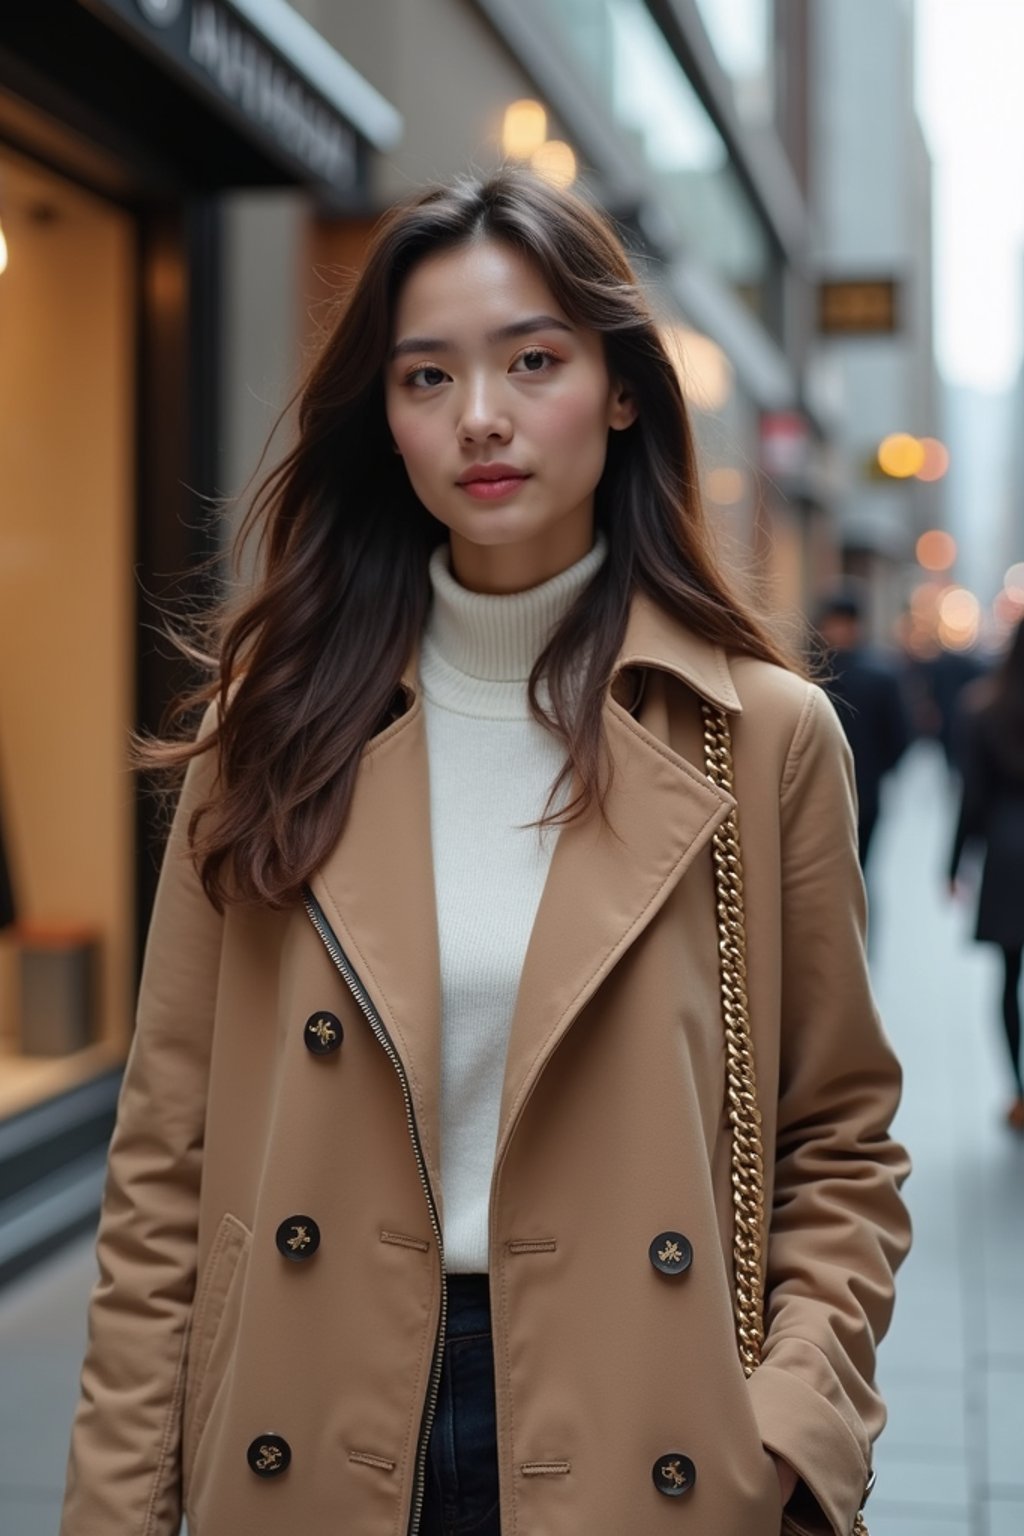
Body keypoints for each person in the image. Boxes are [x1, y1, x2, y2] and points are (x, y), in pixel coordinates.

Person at [60, 168, 910, 1536]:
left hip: (644, 1429)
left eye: (533, 360)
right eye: (426, 377)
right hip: (311, 1411)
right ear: (385, 419)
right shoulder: (272, 727)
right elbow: (166, 1163)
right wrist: (113, 1509)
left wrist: (794, 1432)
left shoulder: (759, 738)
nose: (482, 418)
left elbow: (840, 1143)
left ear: (623, 388)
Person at [949, 618, 1024, 1131]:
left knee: (1008, 978)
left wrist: (953, 864)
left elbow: (972, 796)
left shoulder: (988, 708)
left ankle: (1018, 1093)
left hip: (1007, 853)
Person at [816, 587, 910, 869]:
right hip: (858, 788)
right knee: (855, 869)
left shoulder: (808, 672)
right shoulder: (881, 675)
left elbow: (899, 737)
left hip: (844, 788)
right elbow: (900, 739)